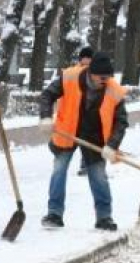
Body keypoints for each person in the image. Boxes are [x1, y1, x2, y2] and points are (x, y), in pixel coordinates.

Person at [38, 52, 128, 231]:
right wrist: (45, 117)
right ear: (91, 73)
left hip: (95, 136)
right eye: (102, 76)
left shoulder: (114, 90)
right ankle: (54, 214)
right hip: (67, 132)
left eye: (108, 76)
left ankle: (104, 217)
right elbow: (47, 95)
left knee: (98, 176)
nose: (105, 80)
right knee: (59, 171)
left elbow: (121, 122)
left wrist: (111, 145)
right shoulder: (70, 77)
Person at [74, 46, 94, 177]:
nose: (86, 61)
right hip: (75, 112)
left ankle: (86, 165)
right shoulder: (73, 73)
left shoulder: (95, 74)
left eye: (89, 59)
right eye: (84, 58)